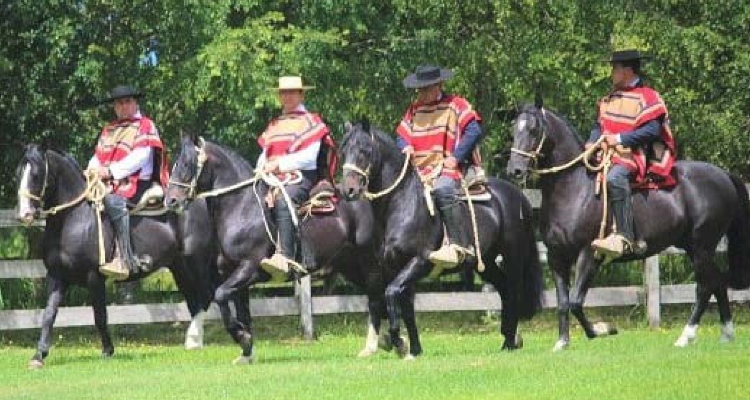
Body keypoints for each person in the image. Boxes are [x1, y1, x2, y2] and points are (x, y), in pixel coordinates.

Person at [588, 49, 676, 258]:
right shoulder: (608, 98)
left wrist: (619, 139)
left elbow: (652, 131)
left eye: (614, 68)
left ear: (627, 71)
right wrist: (591, 142)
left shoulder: (648, 97)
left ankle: (625, 237)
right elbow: (598, 125)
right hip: (606, 154)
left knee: (615, 177)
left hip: (635, 154)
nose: (611, 72)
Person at [395, 65, 484, 269]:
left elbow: (474, 130)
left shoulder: (456, 104)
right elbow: (401, 135)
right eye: (420, 89)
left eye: (426, 89)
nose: (422, 93)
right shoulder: (414, 109)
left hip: (447, 168)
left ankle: (459, 245)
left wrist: (456, 157)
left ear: (439, 85)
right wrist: (405, 146)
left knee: (443, 188)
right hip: (418, 171)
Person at [87, 85, 168, 279]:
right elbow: (98, 156)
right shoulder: (110, 129)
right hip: (110, 181)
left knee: (113, 200)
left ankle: (124, 257)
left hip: (136, 181)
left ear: (135, 103)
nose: (123, 107)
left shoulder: (145, 125)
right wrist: (91, 170)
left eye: (127, 102)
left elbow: (140, 157)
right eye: (118, 103)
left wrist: (110, 171)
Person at [257, 76, 335, 277]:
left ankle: (286, 257)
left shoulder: (311, 121)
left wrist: (279, 165)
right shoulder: (275, 124)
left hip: (302, 176)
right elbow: (264, 154)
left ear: (301, 94)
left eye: (292, 92)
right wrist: (261, 170)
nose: (288, 96)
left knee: (284, 200)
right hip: (273, 177)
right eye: (284, 92)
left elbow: (309, 159)